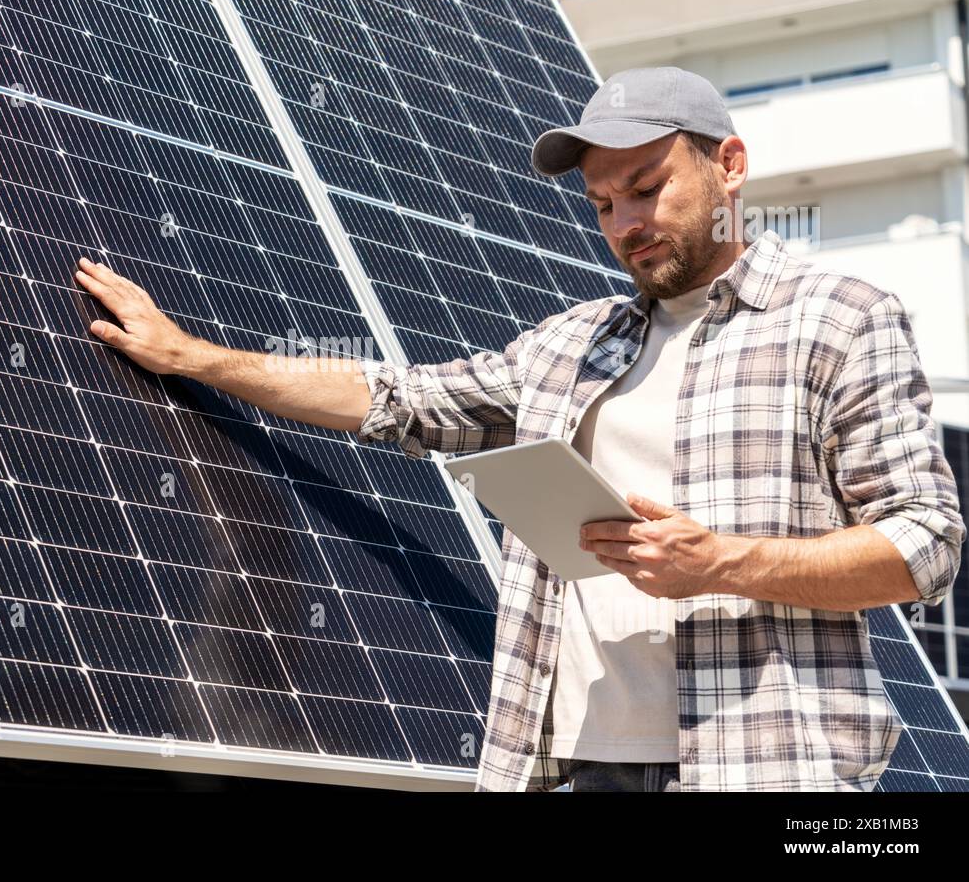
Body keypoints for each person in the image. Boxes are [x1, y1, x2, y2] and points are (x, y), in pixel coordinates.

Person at [73, 66, 964, 792]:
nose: (626, 224)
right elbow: (395, 398)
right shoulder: (572, 345)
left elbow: (926, 543)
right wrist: (192, 356)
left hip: (764, 770)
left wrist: (722, 561)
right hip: (575, 766)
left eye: (648, 188)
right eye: (604, 205)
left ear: (729, 163)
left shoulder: (839, 320)